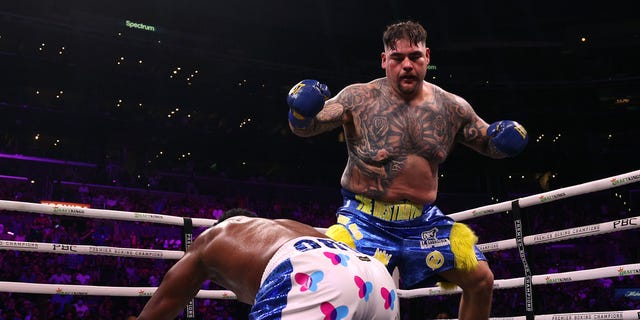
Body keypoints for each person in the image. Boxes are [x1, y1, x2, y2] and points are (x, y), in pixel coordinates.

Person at [286, 20, 529, 319]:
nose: (407, 65)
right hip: (364, 219)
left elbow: (488, 143)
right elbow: (307, 127)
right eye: (398, 57)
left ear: (427, 56)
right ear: (384, 60)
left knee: (481, 280)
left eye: (414, 56)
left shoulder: (453, 108)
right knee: (344, 288)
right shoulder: (357, 98)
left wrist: (504, 140)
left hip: (423, 223)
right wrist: (300, 111)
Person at [137, 208, 399, 320]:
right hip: (375, 276)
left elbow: (159, 309)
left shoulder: (212, 238)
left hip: (315, 272)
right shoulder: (284, 229)